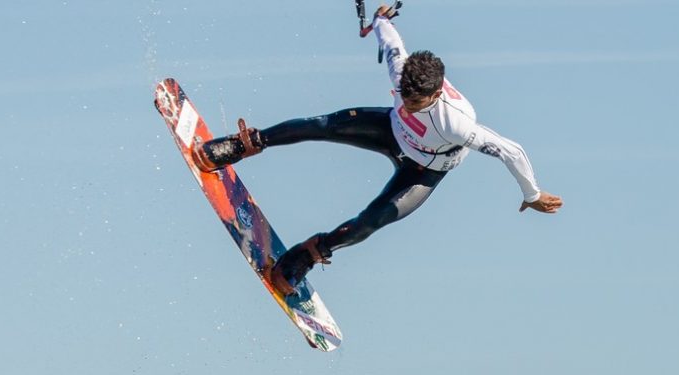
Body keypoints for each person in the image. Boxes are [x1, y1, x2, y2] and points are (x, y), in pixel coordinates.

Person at [194, 4, 563, 291]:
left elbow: (510, 150)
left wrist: (531, 193)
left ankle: (309, 253)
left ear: (435, 94)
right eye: (404, 94)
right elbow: (389, 39)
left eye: (416, 101)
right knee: (324, 125)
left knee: (370, 222)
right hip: (390, 131)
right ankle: (246, 144)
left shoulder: (458, 123)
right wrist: (379, 18)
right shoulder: (402, 72)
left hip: (423, 171)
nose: (408, 101)